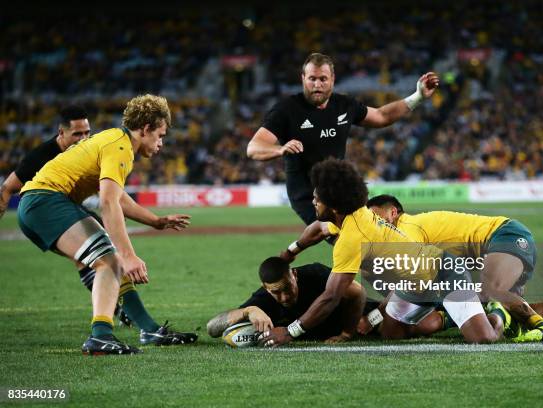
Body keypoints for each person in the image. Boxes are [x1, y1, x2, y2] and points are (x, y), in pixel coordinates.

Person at [18, 95, 195, 355]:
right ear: (145, 129)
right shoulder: (120, 147)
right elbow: (108, 203)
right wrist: (128, 254)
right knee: (110, 261)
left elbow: (119, 198)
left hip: (39, 206)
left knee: (103, 262)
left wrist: (156, 222)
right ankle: (100, 336)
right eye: (159, 135)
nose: (161, 143)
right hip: (45, 202)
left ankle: (148, 328)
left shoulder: (115, 140)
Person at [261, 158, 505, 347]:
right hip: (411, 287)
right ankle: (455, 314)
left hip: (442, 274)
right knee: (391, 333)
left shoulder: (351, 237)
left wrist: (290, 331)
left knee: (482, 340)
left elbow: (331, 296)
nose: (313, 202)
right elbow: (317, 229)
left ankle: (496, 313)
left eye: (317, 199)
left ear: (333, 205)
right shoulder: (350, 214)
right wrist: (290, 252)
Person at [365, 194, 543, 341]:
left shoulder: (406, 228)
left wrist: (375, 315)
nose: (373, 224)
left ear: (393, 212)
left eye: (376, 217)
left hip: (503, 236)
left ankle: (542, 328)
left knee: (492, 292)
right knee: (480, 303)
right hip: (479, 257)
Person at [246, 52, 439, 225]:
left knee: (372, 235)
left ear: (332, 79)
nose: (317, 84)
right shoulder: (286, 110)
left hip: (340, 190)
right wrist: (279, 149)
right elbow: (254, 147)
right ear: (303, 78)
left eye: (323, 79)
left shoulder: (344, 105)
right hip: (308, 196)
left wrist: (418, 96)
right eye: (312, 78)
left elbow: (382, 116)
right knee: (346, 238)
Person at [206, 257, 376, 343]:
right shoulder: (263, 299)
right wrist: (247, 310)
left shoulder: (316, 274)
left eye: (288, 288)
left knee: (394, 331)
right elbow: (212, 328)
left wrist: (347, 333)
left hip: (367, 317)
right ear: (265, 287)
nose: (285, 296)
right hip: (325, 331)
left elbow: (358, 293)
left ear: (294, 275)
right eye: (276, 292)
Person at [0, 106, 91, 219]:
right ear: (61, 132)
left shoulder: (87, 150)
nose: (84, 139)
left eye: (87, 133)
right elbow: (7, 188)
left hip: (70, 207)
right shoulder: (40, 157)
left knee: (103, 230)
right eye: (77, 134)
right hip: (44, 214)